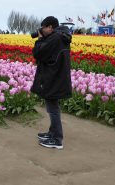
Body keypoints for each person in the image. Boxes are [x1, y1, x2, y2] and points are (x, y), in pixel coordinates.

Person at [31, 16, 72, 149]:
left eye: (43, 28)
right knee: (52, 106)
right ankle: (52, 132)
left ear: (50, 27)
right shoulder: (60, 37)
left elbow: (38, 53)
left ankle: (57, 139)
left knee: (53, 108)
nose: (41, 30)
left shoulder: (55, 38)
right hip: (56, 76)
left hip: (53, 78)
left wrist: (40, 39)